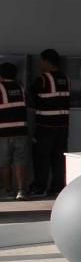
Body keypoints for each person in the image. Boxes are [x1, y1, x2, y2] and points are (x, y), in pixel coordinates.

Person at [30, 49, 71, 196]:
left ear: (47, 62)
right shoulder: (65, 79)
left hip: (45, 126)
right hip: (63, 126)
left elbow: (31, 99)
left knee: (42, 157)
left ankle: (39, 187)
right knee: (59, 158)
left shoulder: (42, 79)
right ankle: (57, 188)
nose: (40, 64)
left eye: (41, 61)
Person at [0, 63, 30, 200]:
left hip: (3, 132)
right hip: (21, 131)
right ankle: (21, 191)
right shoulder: (20, 87)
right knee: (20, 161)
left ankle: (7, 191)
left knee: (4, 162)